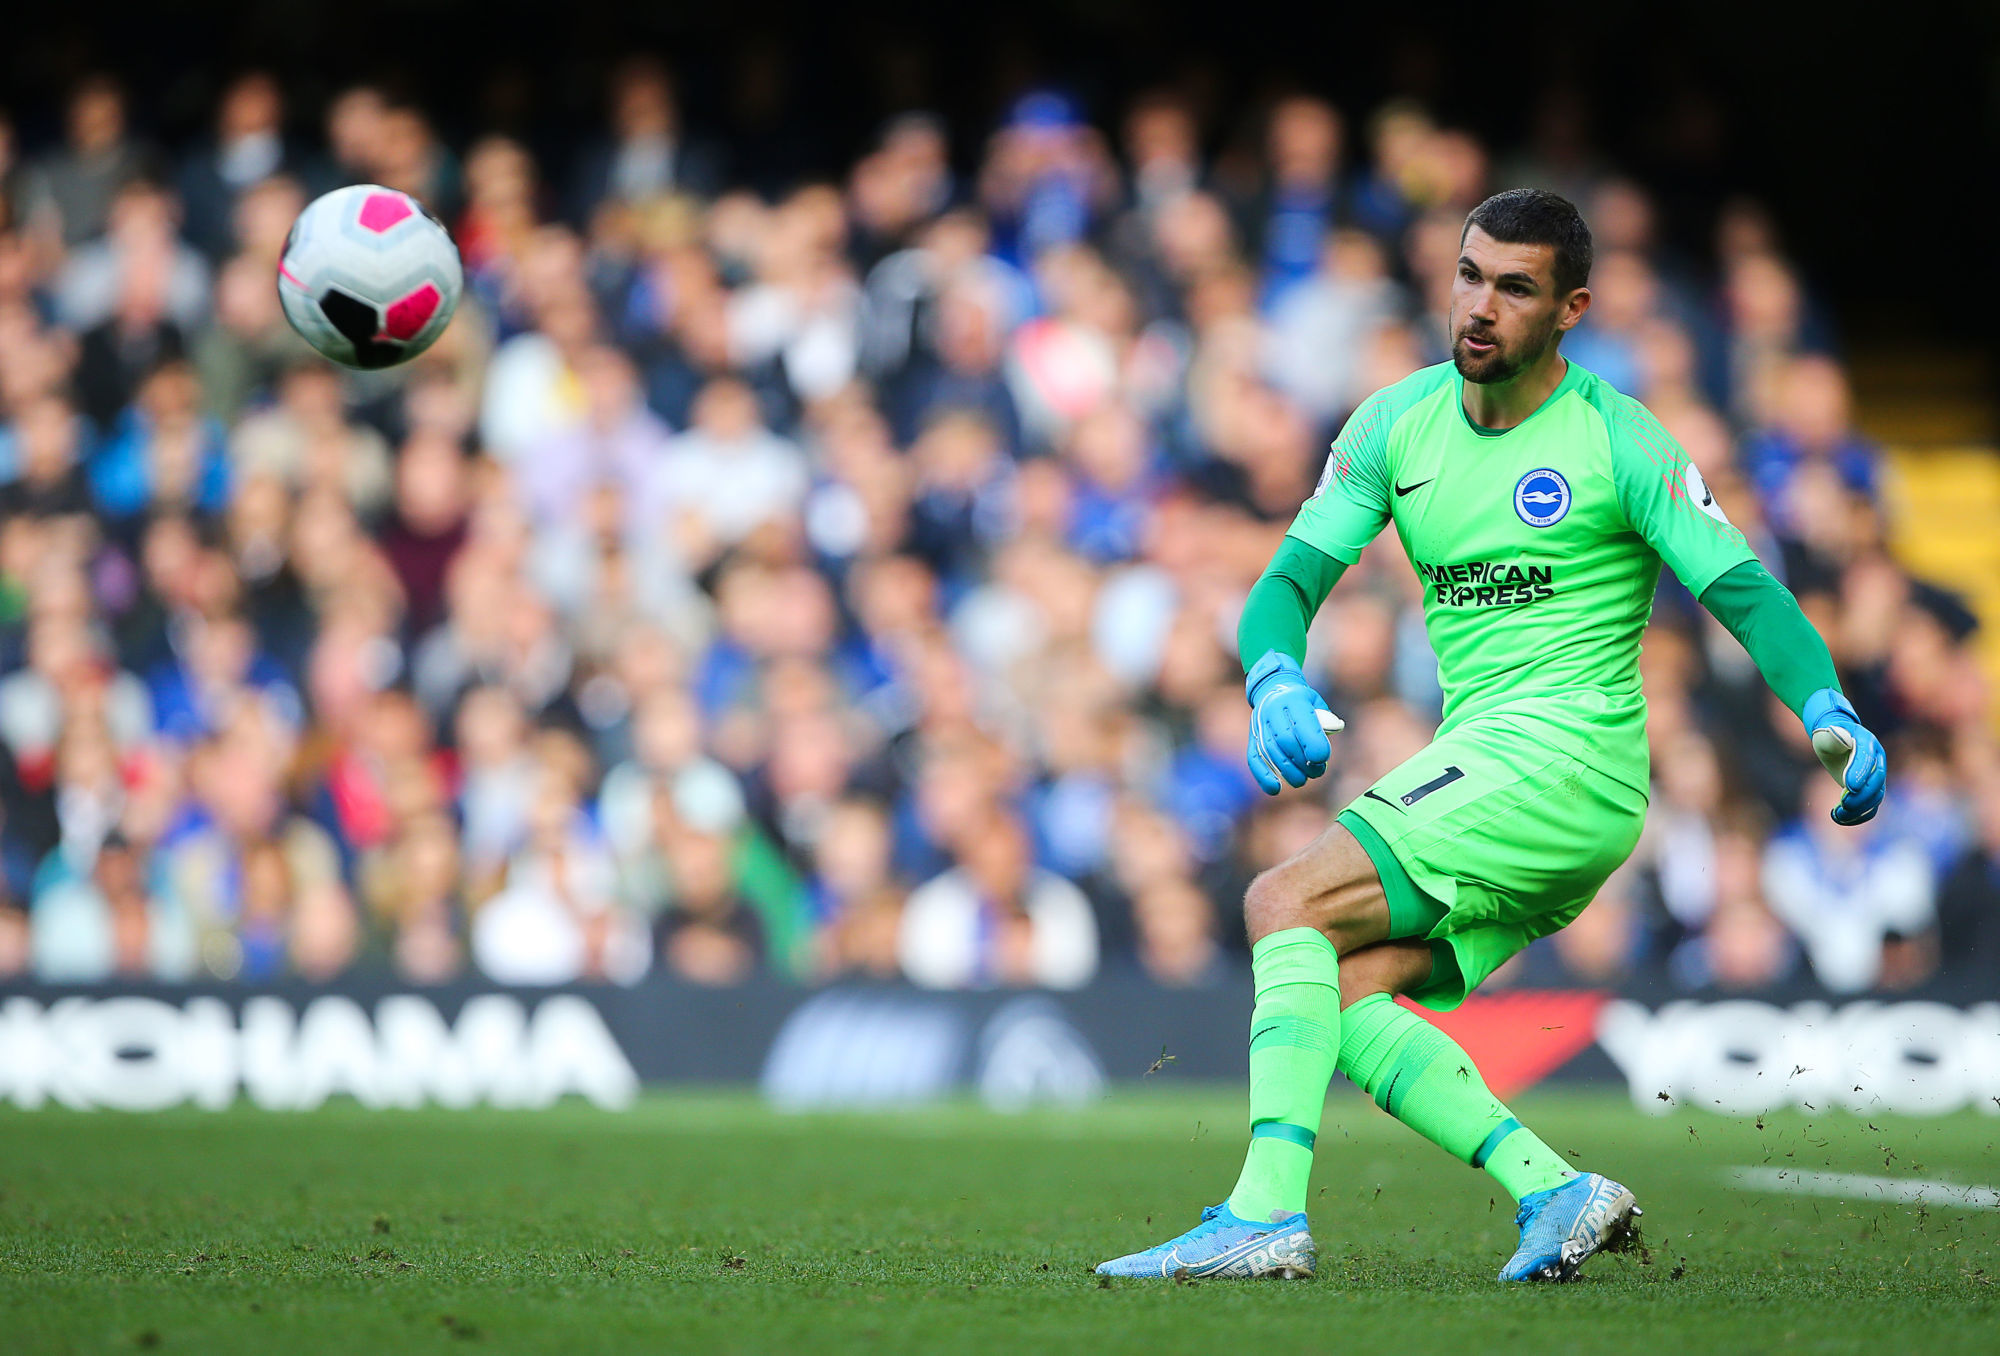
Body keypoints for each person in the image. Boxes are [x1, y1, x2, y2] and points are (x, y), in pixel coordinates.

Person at [1096, 189, 1888, 1283]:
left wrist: (1824, 705)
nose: (1478, 306)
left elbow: (1743, 590)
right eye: (1469, 275)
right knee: (1346, 987)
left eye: (1513, 289)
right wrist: (1272, 672)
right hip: (1501, 769)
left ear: (1569, 309)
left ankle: (1261, 1216)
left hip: (1568, 759)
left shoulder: (1618, 438)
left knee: (1281, 901)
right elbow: (1287, 580)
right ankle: (1553, 1189)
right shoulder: (1391, 425)